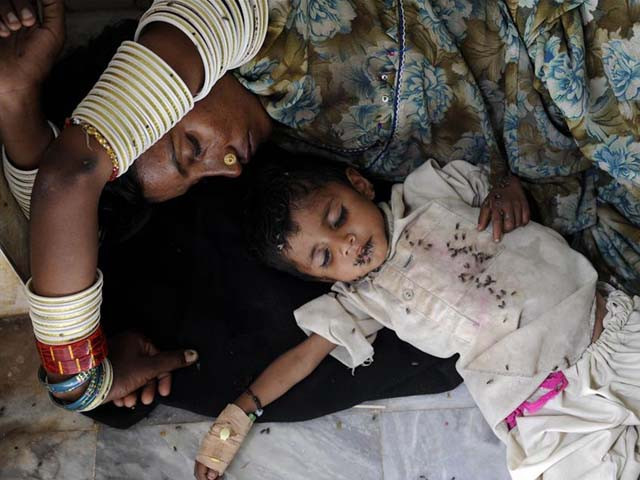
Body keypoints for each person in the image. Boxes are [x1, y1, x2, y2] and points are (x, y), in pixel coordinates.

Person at [0, 6, 462, 425]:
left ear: (149, 85)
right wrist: (16, 99)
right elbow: (66, 218)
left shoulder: (215, 21)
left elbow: (67, 180)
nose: (230, 167)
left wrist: (81, 386)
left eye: (193, 147)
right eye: (200, 174)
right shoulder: (278, 147)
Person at [193, 154, 638, 480]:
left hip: (606, 332)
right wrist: (236, 417)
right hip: (543, 410)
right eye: (325, 256)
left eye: (338, 217)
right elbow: (303, 358)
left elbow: (496, 170)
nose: (346, 244)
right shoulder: (360, 298)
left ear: (360, 185)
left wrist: (504, 185)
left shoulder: (431, 189)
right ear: (318, 278)